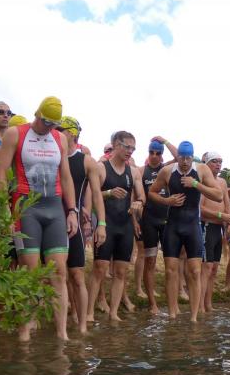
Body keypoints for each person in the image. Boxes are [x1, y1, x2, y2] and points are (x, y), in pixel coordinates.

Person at [0, 96, 78, 340]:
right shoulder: (15, 134)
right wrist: (5, 210)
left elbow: (66, 177)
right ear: (37, 115)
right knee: (29, 272)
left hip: (54, 209)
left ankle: (62, 334)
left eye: (54, 124)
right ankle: (24, 333)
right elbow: (0, 173)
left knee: (59, 272)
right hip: (26, 209)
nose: (49, 128)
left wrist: (72, 211)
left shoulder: (59, 138)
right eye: (46, 122)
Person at [148, 141, 223, 321]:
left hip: (192, 226)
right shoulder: (167, 171)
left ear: (192, 158)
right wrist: (167, 201)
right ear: (177, 157)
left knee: (195, 271)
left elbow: (219, 195)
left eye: (188, 158)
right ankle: (172, 315)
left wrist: (196, 184)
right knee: (170, 271)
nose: (185, 162)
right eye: (181, 158)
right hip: (173, 225)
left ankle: (194, 318)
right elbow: (152, 192)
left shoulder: (202, 170)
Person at [87, 131, 145, 322]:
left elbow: (141, 196)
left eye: (133, 148)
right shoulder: (101, 168)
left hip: (125, 225)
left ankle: (113, 313)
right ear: (116, 145)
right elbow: (91, 197)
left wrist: (138, 203)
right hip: (107, 224)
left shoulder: (134, 172)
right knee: (99, 268)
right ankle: (89, 313)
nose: (130, 151)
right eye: (127, 147)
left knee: (121, 271)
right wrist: (109, 193)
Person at [57, 117, 106, 333]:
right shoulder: (52, 155)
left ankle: (82, 326)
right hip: (52, 220)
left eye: (61, 130)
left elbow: (96, 194)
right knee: (54, 274)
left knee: (77, 275)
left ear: (72, 133)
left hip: (74, 222)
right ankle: (58, 322)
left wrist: (101, 223)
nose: (56, 133)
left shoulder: (86, 161)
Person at [138, 136, 177, 314]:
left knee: (171, 263)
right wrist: (135, 221)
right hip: (149, 221)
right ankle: (152, 304)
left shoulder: (167, 169)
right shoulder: (141, 171)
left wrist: (165, 141)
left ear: (162, 155)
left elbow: (179, 157)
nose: (154, 156)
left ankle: (172, 305)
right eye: (151, 152)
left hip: (167, 221)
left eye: (158, 153)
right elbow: (136, 198)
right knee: (150, 261)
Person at [199, 152, 230, 313]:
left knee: (213, 269)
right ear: (206, 163)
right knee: (206, 268)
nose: (218, 164)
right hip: (206, 225)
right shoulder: (202, 181)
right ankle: (200, 305)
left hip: (218, 229)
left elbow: (227, 203)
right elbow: (199, 209)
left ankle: (208, 304)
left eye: (220, 161)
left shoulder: (222, 182)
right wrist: (220, 215)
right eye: (214, 161)